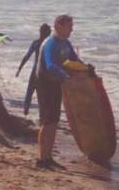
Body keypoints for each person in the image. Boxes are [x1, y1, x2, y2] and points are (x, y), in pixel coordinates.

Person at [35, 14, 87, 170]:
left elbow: (74, 60)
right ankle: (42, 159)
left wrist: (87, 69)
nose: (72, 29)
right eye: (69, 26)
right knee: (47, 121)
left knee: (54, 121)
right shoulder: (50, 43)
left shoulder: (66, 43)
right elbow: (50, 65)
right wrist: (66, 77)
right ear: (58, 26)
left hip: (56, 83)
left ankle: (48, 157)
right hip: (44, 84)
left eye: (72, 26)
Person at [16, 23, 52, 115]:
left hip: (35, 70)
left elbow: (27, 56)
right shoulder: (50, 44)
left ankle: (25, 112)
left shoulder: (36, 43)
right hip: (46, 72)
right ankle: (43, 115)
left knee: (30, 92)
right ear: (49, 33)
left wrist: (19, 69)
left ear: (40, 32)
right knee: (43, 95)